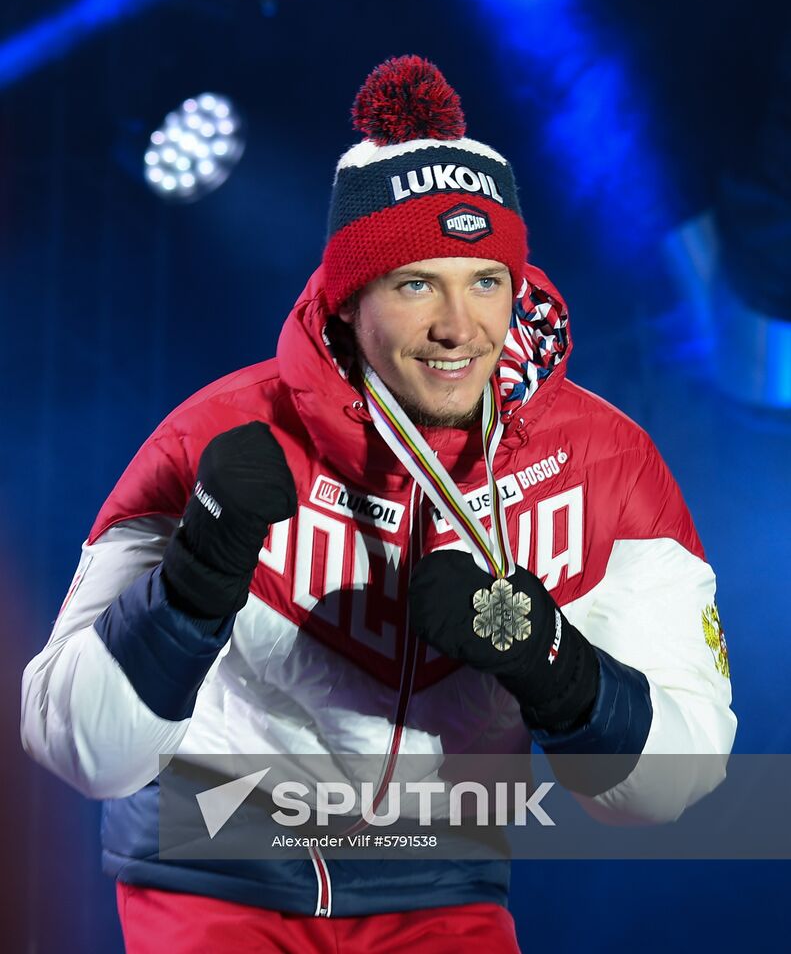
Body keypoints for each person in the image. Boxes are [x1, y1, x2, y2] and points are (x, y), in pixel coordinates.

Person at [21, 55, 736, 953]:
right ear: (351, 297)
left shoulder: (599, 461)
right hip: (212, 878)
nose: (458, 326)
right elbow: (76, 748)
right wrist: (191, 585)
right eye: (415, 283)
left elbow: (679, 777)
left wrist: (552, 664)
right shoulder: (211, 436)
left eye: (484, 281)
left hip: (439, 887)